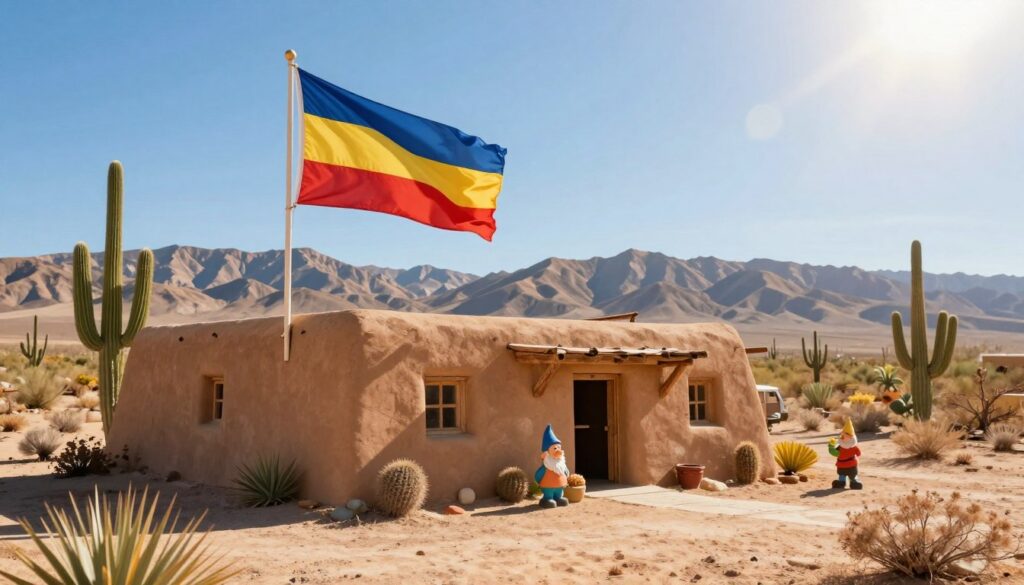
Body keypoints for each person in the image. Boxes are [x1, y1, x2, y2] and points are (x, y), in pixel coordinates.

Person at [534, 424, 570, 508]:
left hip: (560, 486)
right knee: (549, 494)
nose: (558, 450)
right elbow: (538, 475)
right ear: (547, 452)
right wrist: (538, 480)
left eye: (559, 447)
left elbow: (565, 471)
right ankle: (547, 498)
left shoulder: (561, 463)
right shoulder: (547, 465)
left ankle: (558, 497)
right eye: (555, 448)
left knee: (559, 494)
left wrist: (566, 473)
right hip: (547, 486)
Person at [828, 418, 862, 490]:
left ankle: (843, 482)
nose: (844, 438)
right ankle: (853, 482)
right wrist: (831, 446)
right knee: (850, 476)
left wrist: (831, 446)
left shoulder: (841, 447)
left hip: (843, 465)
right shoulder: (853, 448)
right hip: (850, 466)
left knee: (844, 476)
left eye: (844, 436)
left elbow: (834, 453)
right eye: (843, 436)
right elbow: (859, 454)